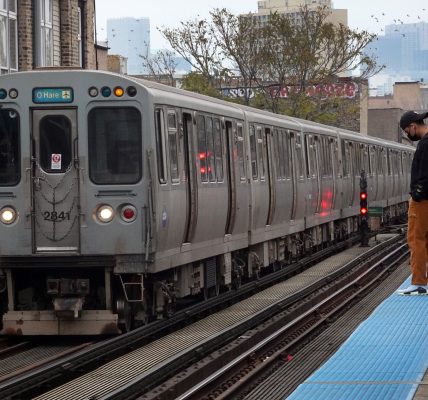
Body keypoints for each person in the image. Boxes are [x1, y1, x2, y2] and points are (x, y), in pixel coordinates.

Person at [398, 110, 428, 295]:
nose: (408, 134)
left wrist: (416, 195)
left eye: (407, 130)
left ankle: (418, 282)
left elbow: (424, 174)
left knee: (416, 240)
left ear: (413, 126)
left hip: (423, 201)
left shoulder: (425, 145)